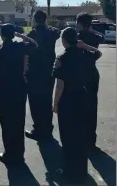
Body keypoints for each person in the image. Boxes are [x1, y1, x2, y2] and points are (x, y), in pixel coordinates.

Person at [52, 27, 102, 184]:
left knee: (67, 137)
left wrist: (55, 104)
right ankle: (81, 170)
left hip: (67, 99)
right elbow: (98, 53)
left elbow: (60, 85)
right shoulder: (85, 55)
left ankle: (69, 170)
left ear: (64, 40)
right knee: (80, 135)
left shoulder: (61, 58)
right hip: (83, 96)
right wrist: (85, 46)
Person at [0, 23, 38, 166]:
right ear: (13, 34)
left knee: (7, 123)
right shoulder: (20, 47)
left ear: (2, 35)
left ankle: (10, 153)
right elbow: (34, 45)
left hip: (4, 90)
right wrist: (21, 36)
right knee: (19, 121)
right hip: (20, 88)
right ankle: (19, 153)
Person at [25, 10, 61, 141]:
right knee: (46, 100)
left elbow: (26, 53)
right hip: (48, 71)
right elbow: (58, 31)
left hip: (34, 72)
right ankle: (47, 127)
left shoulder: (31, 34)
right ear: (45, 20)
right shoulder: (52, 32)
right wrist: (46, 26)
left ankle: (38, 129)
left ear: (34, 19)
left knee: (35, 102)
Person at [76, 12, 104, 150]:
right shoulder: (95, 36)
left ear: (79, 23)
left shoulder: (77, 37)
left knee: (79, 108)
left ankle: (80, 139)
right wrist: (91, 29)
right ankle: (91, 141)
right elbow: (101, 37)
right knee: (92, 107)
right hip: (92, 73)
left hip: (79, 74)